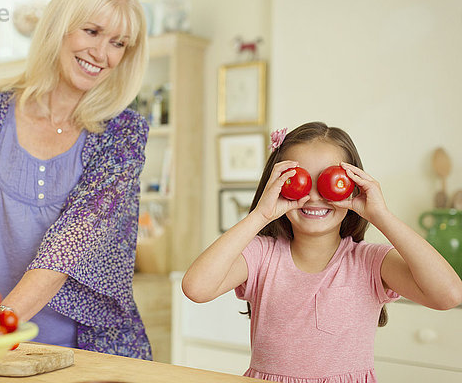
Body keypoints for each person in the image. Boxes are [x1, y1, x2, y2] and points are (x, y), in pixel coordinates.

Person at [0, 0, 152, 359]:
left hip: (85, 354)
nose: (102, 53)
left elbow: (70, 244)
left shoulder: (123, 134)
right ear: (58, 26)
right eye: (92, 32)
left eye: (118, 43)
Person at [182, 122, 462, 382]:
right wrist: (260, 215)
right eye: (299, 180)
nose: (314, 195)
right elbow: (197, 287)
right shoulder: (262, 256)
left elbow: (448, 295)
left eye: (330, 180)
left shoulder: (369, 262)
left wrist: (381, 215)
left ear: (353, 186)